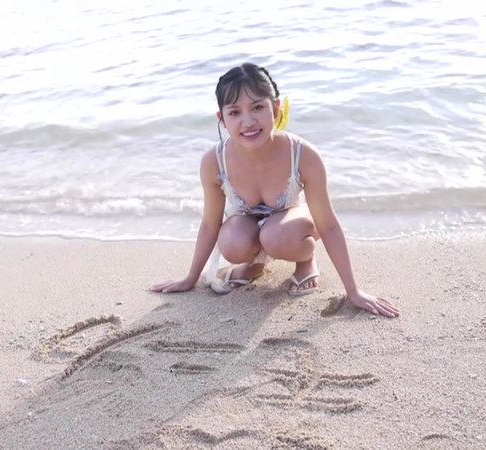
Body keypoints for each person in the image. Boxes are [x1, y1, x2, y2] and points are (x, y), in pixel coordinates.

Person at [150, 62, 400, 318]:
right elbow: (210, 224)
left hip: (294, 223)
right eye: (235, 112)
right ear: (222, 119)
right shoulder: (214, 161)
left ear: (276, 108)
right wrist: (190, 278)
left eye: (258, 107)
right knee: (232, 244)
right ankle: (254, 264)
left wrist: (354, 291)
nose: (248, 122)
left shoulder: (303, 154)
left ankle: (305, 259)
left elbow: (328, 224)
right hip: (247, 224)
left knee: (276, 237)